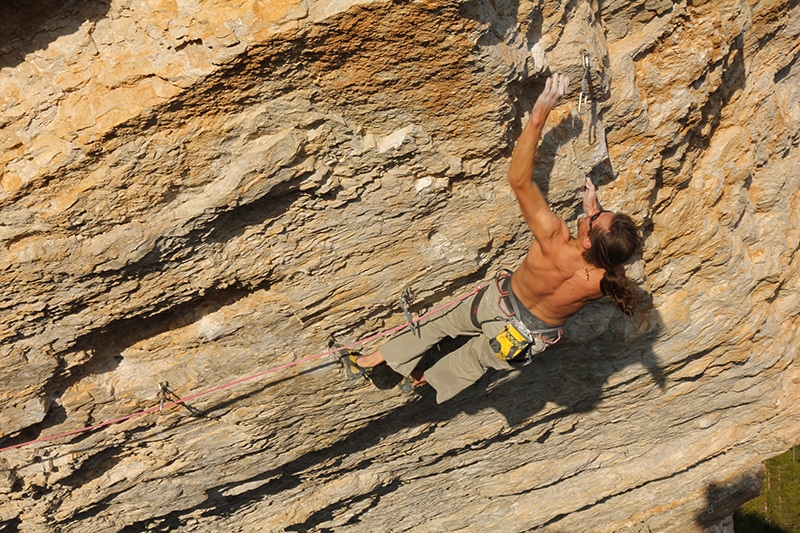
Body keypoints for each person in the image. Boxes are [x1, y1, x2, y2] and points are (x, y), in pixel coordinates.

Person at [346, 73, 643, 403]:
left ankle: (373, 360)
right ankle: (424, 382)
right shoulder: (607, 279)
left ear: (589, 242)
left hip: (495, 305)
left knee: (438, 325)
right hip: (528, 339)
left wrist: (540, 115)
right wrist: (593, 214)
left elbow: (518, 180)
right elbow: (610, 256)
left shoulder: (554, 238)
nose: (591, 214)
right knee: (471, 360)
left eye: (596, 219)